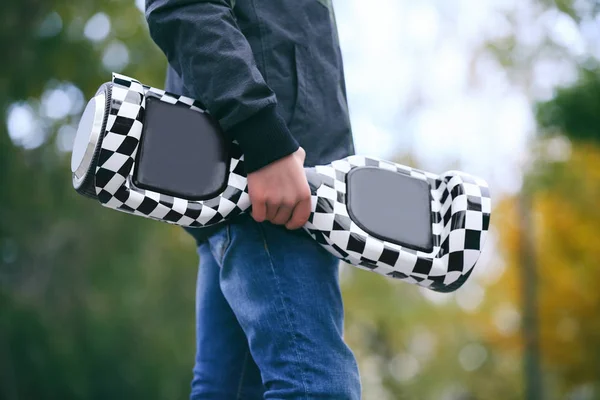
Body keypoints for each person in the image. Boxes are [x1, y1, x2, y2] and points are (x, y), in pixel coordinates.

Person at [145, 0, 361, 398]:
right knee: (315, 386)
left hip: (271, 179)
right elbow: (182, 6)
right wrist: (265, 140)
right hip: (271, 184)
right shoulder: (268, 157)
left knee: (227, 390)